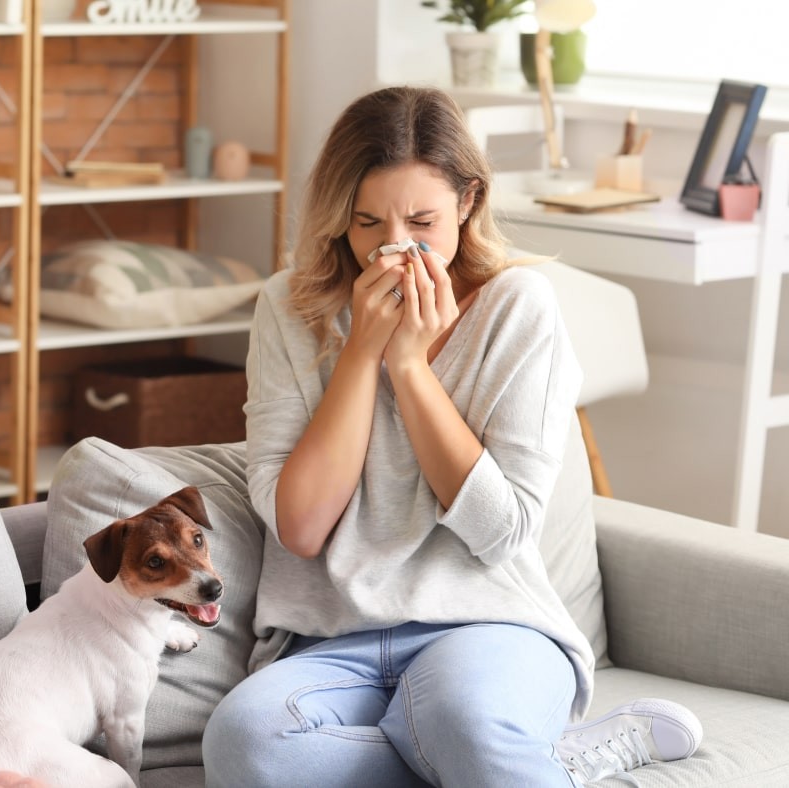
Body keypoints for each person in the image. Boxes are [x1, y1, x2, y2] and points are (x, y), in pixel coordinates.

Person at [201, 85, 701, 787]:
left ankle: (489, 750)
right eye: (366, 222)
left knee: (457, 719)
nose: (392, 247)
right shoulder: (289, 307)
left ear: (467, 203)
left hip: (485, 626)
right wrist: (359, 356)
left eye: (421, 221)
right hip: (327, 641)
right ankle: (542, 762)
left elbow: (501, 532)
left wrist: (408, 366)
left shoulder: (517, 308)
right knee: (245, 744)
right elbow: (302, 527)